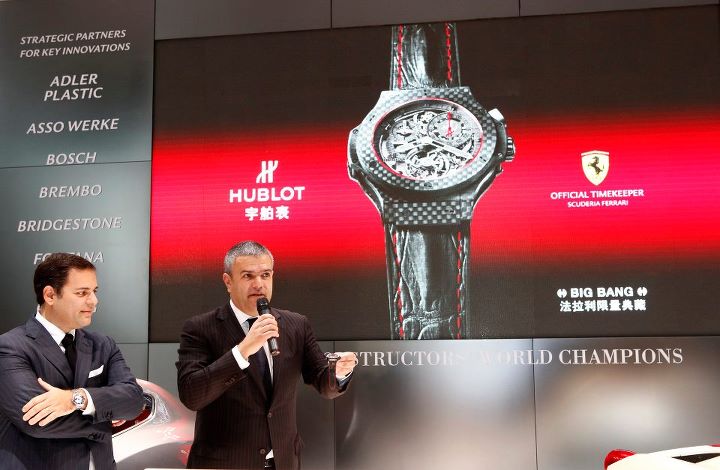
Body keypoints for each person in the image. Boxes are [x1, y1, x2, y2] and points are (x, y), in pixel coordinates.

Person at [177, 241, 357, 470]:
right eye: (248, 276)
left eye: (265, 275)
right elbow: (192, 395)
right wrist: (242, 351)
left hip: (283, 462)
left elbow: (324, 384)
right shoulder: (200, 328)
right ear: (228, 281)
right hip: (224, 464)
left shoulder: (296, 325)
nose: (259, 284)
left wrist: (338, 372)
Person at [0, 253, 144, 470]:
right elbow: (37, 422)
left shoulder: (103, 345)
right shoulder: (10, 347)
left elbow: (134, 401)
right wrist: (105, 417)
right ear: (50, 295)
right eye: (82, 293)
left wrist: (77, 398)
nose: (93, 301)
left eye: (94, 291)